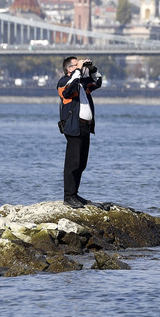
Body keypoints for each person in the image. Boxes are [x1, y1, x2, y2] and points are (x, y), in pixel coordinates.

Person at [57, 56, 102, 208]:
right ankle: (68, 196)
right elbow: (68, 92)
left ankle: (75, 194)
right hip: (73, 126)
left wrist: (91, 69)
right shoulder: (64, 82)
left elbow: (98, 82)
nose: (79, 66)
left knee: (81, 163)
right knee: (73, 163)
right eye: (76, 65)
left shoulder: (82, 83)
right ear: (69, 69)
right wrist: (78, 70)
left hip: (85, 127)